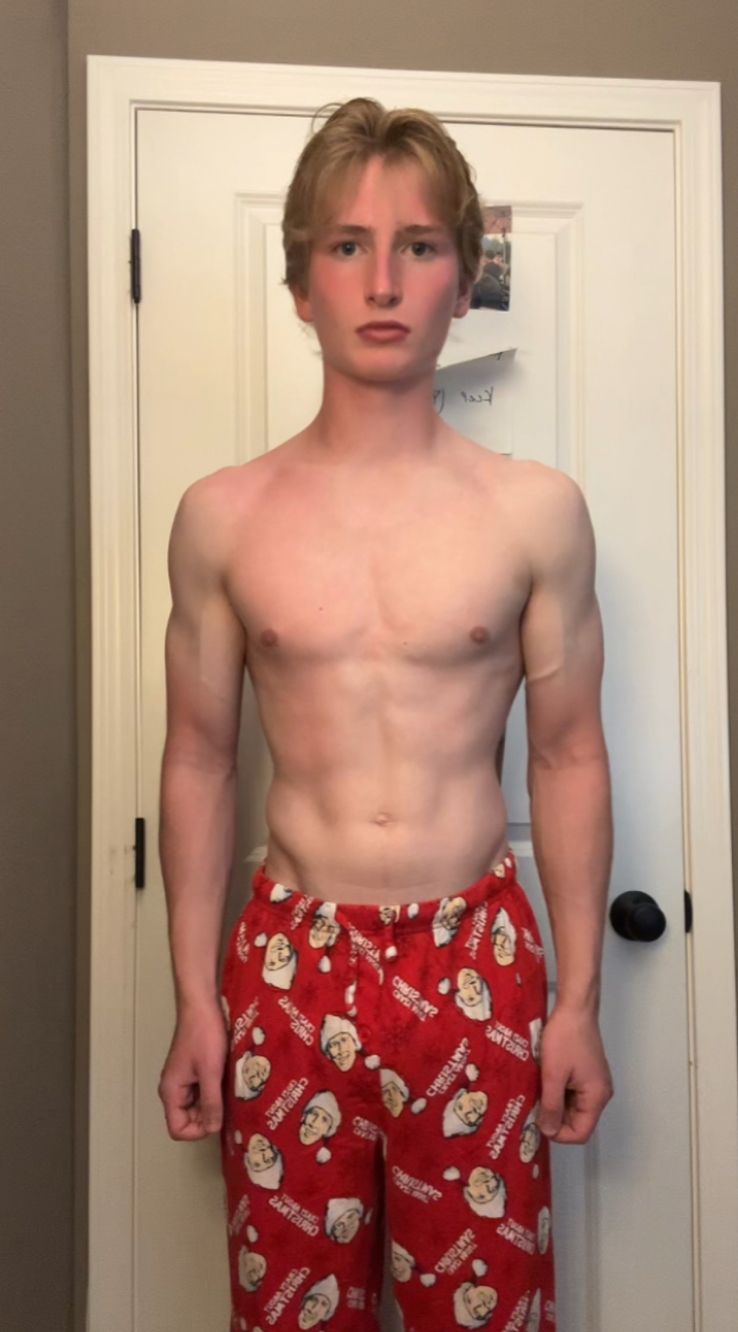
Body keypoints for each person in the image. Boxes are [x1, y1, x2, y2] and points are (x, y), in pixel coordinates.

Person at [157, 97, 614, 1332]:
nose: (382, 281)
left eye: (418, 245)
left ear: (464, 280)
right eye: (346, 245)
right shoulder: (223, 517)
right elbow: (198, 761)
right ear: (299, 282)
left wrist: (577, 1004)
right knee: (291, 1316)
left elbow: (570, 756)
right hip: (287, 967)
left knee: (488, 1315)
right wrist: (196, 999)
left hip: (477, 960)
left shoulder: (535, 513)